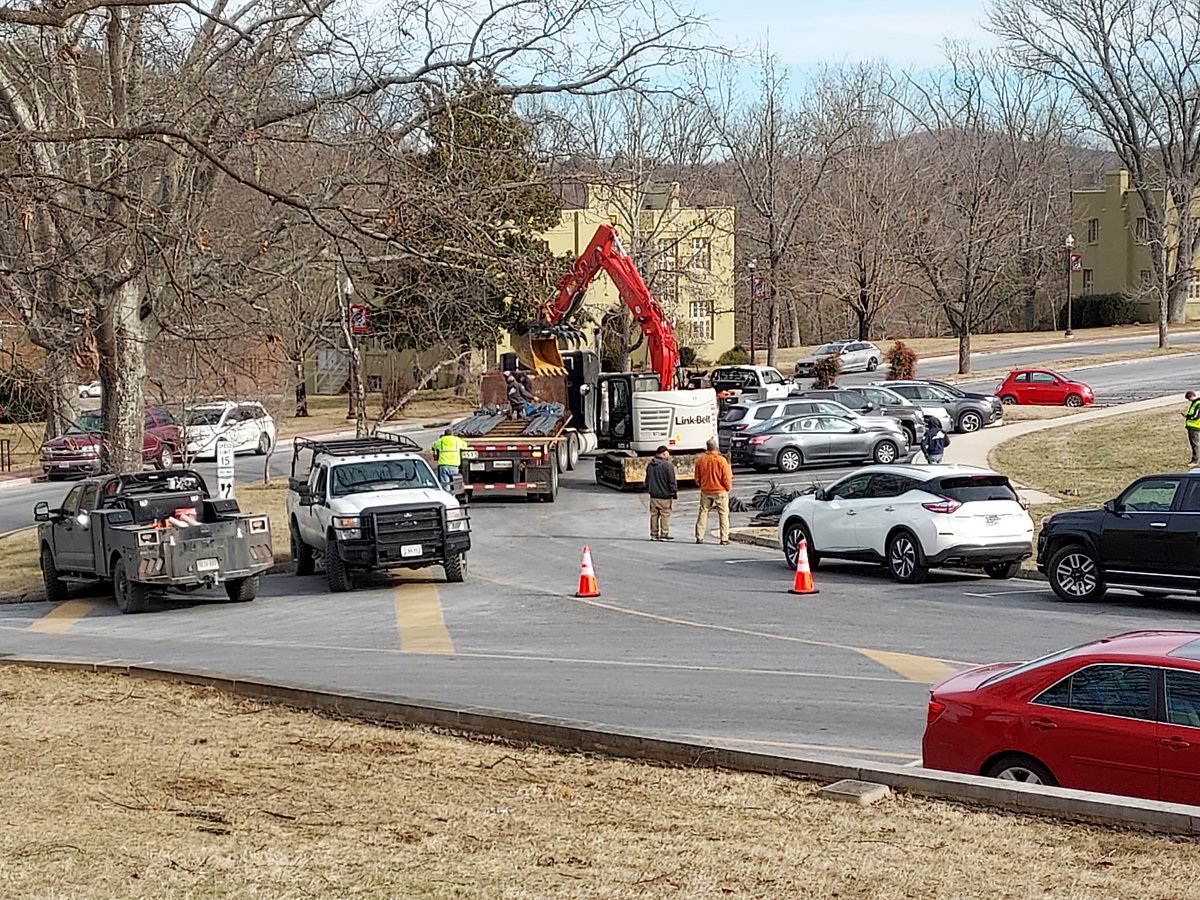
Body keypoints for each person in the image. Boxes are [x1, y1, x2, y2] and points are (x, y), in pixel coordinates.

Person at [694, 438, 733, 545]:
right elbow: (726, 477)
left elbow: (697, 477)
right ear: (716, 447)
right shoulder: (721, 460)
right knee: (723, 514)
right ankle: (724, 538)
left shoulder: (701, 460)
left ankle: (699, 536)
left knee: (703, 512)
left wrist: (702, 485)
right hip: (720, 491)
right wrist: (727, 488)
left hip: (706, 490)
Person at [645, 445, 678, 541]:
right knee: (665, 515)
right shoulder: (668, 466)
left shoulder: (650, 465)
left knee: (654, 515)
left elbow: (647, 480)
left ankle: (654, 534)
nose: (669, 454)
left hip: (653, 495)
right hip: (665, 496)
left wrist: (649, 489)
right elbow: (672, 480)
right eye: (668, 452)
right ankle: (664, 534)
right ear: (663, 453)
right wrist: (673, 492)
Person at [1184, 391, 1200, 465]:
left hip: (1195, 426)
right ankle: (1195, 459)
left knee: (1194, 444)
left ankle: (1195, 460)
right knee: (1194, 444)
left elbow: (1196, 416)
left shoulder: (1198, 403)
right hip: (1192, 426)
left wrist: (1188, 416)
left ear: (1190, 396)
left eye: (1188, 399)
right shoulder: (1195, 403)